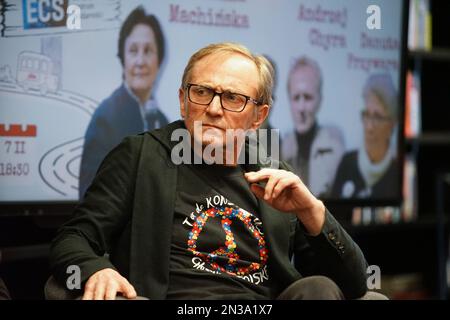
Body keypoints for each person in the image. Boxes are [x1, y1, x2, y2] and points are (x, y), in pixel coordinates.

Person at [50, 42, 368, 300]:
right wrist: (96, 269)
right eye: (202, 92)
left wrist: (313, 213)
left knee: (319, 290)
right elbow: (73, 238)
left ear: (258, 117)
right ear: (183, 100)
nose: (214, 109)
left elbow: (354, 286)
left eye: (232, 98)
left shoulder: (274, 176)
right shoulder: (140, 156)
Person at [79, 6, 169, 198]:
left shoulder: (163, 121)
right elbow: (90, 196)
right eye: (133, 51)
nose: (140, 61)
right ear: (123, 58)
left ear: (159, 60)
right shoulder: (106, 117)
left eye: (148, 51)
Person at [282, 56, 345, 198]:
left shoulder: (334, 144)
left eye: (308, 97)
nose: (301, 107)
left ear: (320, 100)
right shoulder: (281, 146)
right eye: (296, 97)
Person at [331, 73, 398, 199]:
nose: (369, 126)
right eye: (367, 115)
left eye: (377, 117)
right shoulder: (347, 162)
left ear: (392, 124)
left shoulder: (397, 170)